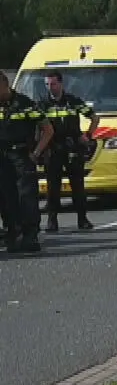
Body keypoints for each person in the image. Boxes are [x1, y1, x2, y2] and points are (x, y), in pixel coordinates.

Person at [0, 75, 53, 254]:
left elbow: (48, 130)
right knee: (7, 197)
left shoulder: (25, 104)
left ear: (5, 86)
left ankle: (30, 235)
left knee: (27, 196)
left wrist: (36, 153)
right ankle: (13, 232)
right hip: (3, 158)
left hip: (22, 156)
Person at [41, 69, 98, 232]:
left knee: (78, 185)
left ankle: (82, 219)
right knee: (53, 187)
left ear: (60, 83)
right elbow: (36, 125)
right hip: (53, 148)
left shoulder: (72, 101)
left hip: (73, 147)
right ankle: (52, 221)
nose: (50, 87)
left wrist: (87, 136)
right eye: (47, 84)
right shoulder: (43, 104)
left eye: (53, 84)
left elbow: (94, 117)